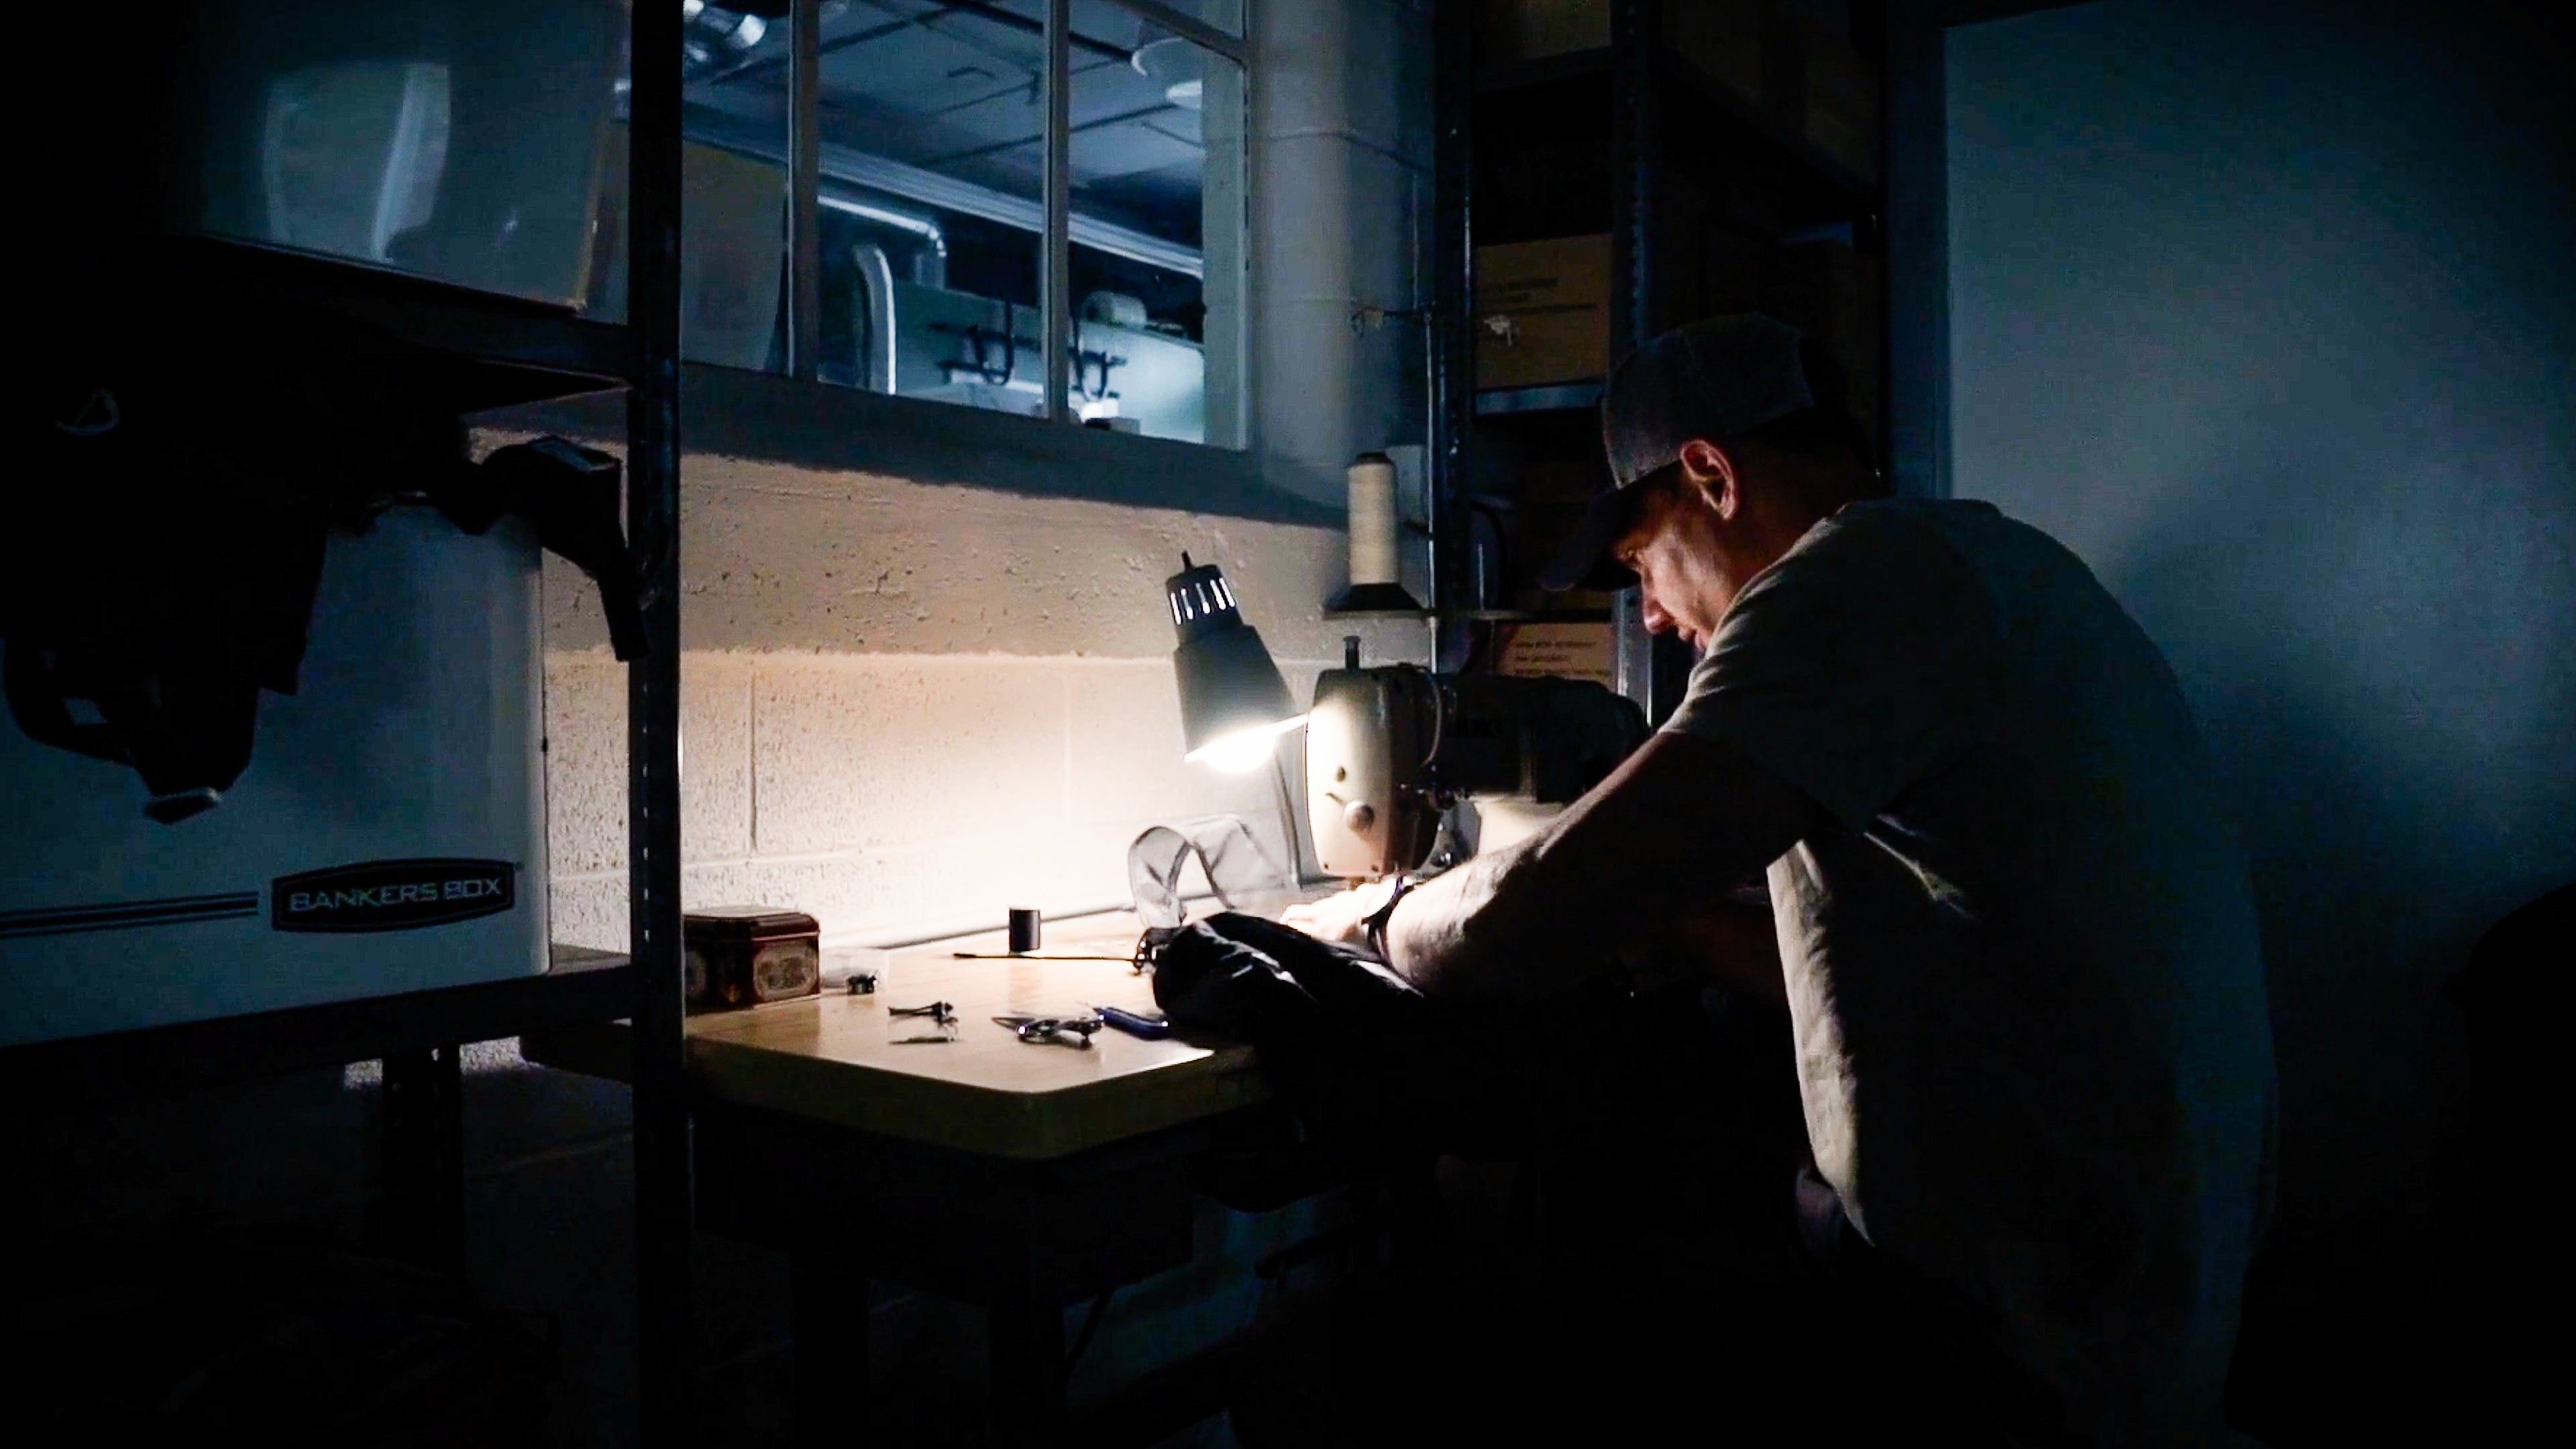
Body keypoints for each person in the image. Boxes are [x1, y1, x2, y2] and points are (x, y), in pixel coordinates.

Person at [1285, 315, 2276, 1446]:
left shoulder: (1849, 582)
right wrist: (1697, 934)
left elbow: (1519, 924)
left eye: (1641, 565)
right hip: (2144, 1280)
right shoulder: (1997, 565)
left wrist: (1387, 920)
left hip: (2035, 1328)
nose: (1652, 613)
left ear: (1709, 474)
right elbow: (1969, 944)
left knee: (1465, 1325)